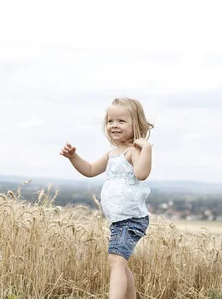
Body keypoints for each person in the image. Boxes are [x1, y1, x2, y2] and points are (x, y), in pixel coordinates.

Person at [59, 97, 154, 299]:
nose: (114, 125)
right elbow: (91, 170)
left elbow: (142, 174)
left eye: (121, 121)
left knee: (116, 261)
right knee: (120, 262)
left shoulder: (133, 152)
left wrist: (146, 149)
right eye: (110, 121)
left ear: (135, 124)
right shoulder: (112, 154)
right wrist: (73, 157)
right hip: (118, 220)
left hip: (130, 219)